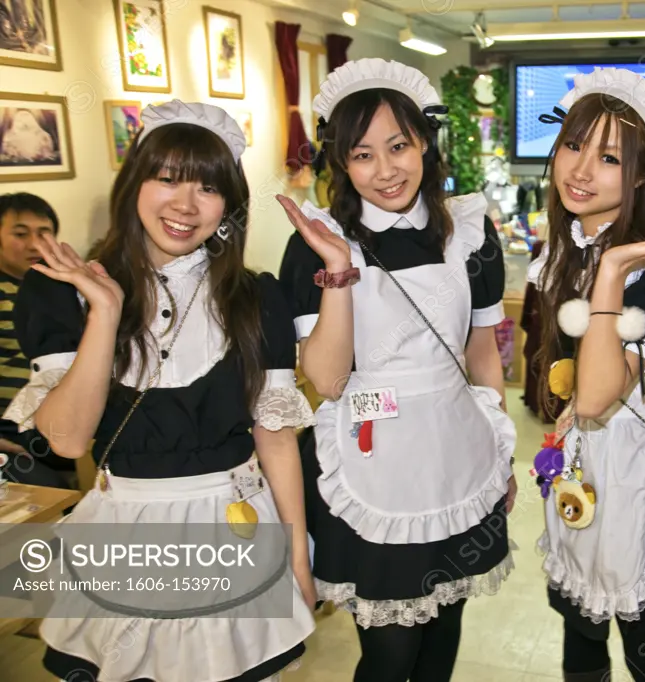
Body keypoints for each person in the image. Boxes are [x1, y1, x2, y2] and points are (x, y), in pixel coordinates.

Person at [3, 100, 317, 682]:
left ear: (228, 207)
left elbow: (275, 442)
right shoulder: (61, 296)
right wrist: (104, 312)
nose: (184, 204)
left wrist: (298, 555)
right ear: (133, 184)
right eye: (166, 177)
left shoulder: (256, 300)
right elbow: (69, 440)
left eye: (208, 187)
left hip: (236, 524)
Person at [277, 58, 516, 682]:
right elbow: (326, 381)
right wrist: (337, 269)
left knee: (443, 639)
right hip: (372, 460)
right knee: (388, 655)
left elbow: (482, 352)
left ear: (425, 144)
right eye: (362, 154)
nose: (385, 170)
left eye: (399, 146)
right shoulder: (317, 243)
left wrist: (501, 452)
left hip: (458, 453)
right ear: (341, 163)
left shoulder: (468, 228)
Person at [527, 68, 645, 682]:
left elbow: (601, 393)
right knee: (579, 629)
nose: (580, 169)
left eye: (607, 157)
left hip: (638, 487)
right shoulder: (566, 249)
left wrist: (610, 276)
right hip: (582, 471)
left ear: (640, 175)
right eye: (573, 146)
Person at [0, 192, 73, 489]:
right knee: (51, 491)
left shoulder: (62, 290)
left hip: (63, 420)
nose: (34, 244)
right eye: (20, 234)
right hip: (12, 431)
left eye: (43, 233)